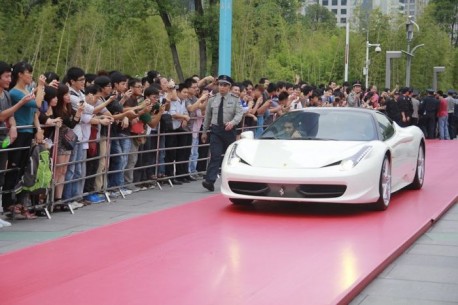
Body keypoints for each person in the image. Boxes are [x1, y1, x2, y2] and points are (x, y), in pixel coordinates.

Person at [201, 75, 243, 192]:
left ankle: (235, 179)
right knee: (215, 155)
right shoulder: (213, 99)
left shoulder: (235, 99)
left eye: (225, 85)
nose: (222, 87)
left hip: (229, 130)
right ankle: (209, 181)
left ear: (229, 87)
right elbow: (208, 117)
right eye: (220, 84)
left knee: (231, 157)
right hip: (215, 130)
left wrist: (233, 123)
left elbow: (239, 114)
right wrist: (204, 131)